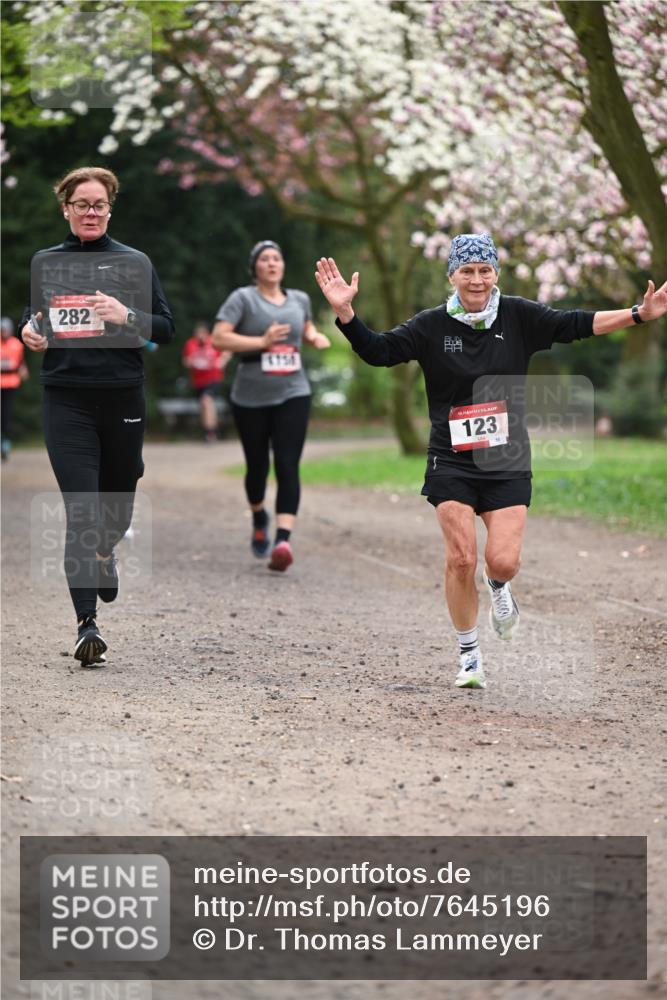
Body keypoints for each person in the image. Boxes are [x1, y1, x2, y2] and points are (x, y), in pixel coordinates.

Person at [315, 236, 667, 690]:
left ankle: (499, 587)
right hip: (451, 458)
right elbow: (379, 351)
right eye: (467, 271)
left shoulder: (520, 316)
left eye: (484, 270)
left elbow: (577, 323)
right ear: (452, 277)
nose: (476, 279)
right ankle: (469, 657)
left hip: (506, 458)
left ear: (496, 273)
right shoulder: (431, 326)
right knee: (461, 558)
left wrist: (638, 314)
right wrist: (346, 314)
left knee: (502, 562)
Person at [20, 166, 175, 666]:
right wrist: (31, 332)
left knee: (117, 508)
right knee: (81, 510)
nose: (91, 212)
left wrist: (126, 316)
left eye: (99, 205)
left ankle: (105, 553)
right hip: (65, 398)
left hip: (122, 397)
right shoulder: (45, 261)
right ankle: (87, 624)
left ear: (111, 209)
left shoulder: (134, 263)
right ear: (65, 208)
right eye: (82, 204)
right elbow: (37, 317)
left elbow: (166, 329)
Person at [212, 240, 330, 571]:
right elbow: (219, 337)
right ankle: (258, 514)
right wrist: (261, 342)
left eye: (277, 258)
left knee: (288, 464)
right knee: (257, 466)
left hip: (294, 390)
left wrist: (314, 336)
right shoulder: (242, 299)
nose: (272, 263)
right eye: (265, 259)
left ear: (283, 265)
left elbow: (304, 326)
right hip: (250, 395)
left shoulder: (299, 299)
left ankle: (282, 540)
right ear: (256, 267)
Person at [182, 321, 231, 442]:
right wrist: (191, 362)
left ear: (206, 333)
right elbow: (186, 361)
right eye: (197, 334)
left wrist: (222, 361)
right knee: (204, 406)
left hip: (213, 378)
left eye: (202, 333)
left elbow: (227, 350)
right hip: (199, 381)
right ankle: (208, 431)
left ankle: (211, 433)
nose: (200, 336)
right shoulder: (191, 344)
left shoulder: (212, 342)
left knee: (206, 401)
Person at [1, 317, 29, 461]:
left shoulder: (16, 345)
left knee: (6, 415)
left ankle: (5, 444)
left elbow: (21, 363)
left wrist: (23, 369)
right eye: (1, 330)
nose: (3, 332)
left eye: (5, 330)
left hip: (11, 383)